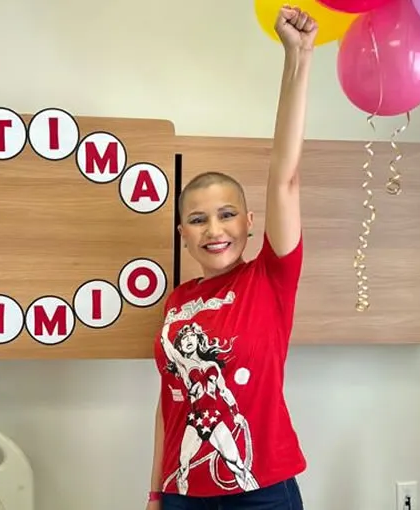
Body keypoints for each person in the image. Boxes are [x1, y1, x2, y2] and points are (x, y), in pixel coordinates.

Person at [146, 5, 317, 510]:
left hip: (262, 493)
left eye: (226, 215)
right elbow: (167, 404)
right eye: (198, 220)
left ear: (249, 223)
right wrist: (156, 491)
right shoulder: (177, 302)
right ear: (183, 233)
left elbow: (285, 177)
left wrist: (298, 58)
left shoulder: (270, 276)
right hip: (181, 492)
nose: (214, 230)